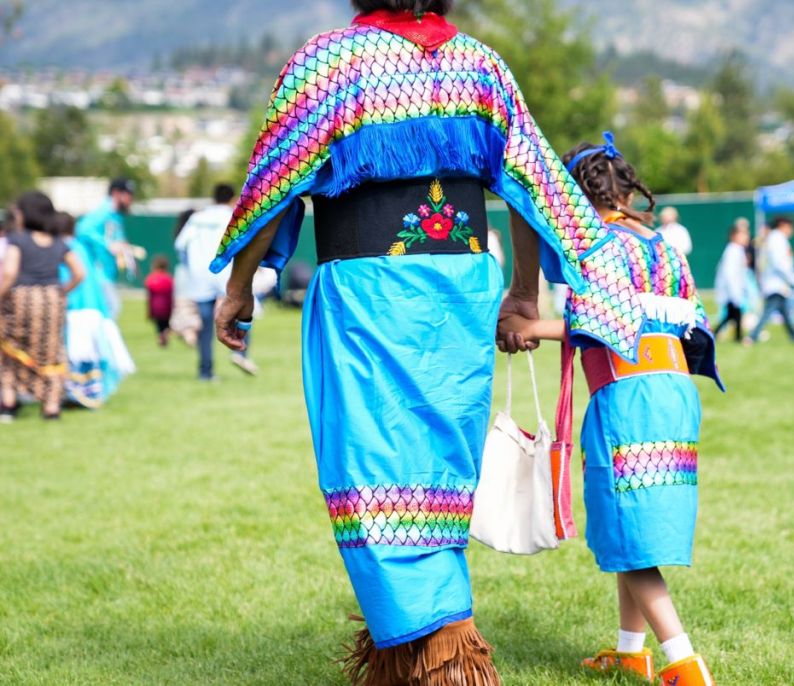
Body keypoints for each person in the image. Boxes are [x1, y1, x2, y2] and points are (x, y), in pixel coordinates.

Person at [209, 3, 643, 683]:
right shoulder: (483, 66)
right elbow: (528, 189)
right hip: (461, 288)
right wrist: (524, 290)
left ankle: (447, 654)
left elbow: (271, 187)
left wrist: (239, 287)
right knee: (435, 473)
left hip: (370, 295)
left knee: (374, 475)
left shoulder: (327, 64)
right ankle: (400, 658)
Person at [499, 137, 722, 686]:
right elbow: (688, 320)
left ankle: (685, 664)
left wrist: (529, 328)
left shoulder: (600, 245)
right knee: (631, 530)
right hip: (673, 393)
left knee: (630, 530)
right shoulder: (664, 245)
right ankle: (630, 652)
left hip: (628, 394)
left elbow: (608, 321)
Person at [0, 192, 85, 421]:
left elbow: (9, 272)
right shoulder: (58, 241)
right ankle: (51, 407)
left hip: (22, 299)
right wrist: (62, 291)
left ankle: (8, 404)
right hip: (52, 299)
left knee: (8, 349)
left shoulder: (18, 239)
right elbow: (79, 272)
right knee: (52, 352)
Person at [53, 211, 136, 408]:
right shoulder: (82, 249)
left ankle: (74, 395)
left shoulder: (62, 249)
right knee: (93, 357)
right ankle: (91, 394)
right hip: (95, 310)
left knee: (74, 356)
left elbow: (70, 277)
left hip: (74, 309)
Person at [176, 184, 257, 380]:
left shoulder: (197, 218)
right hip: (226, 273)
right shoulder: (234, 216)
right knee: (240, 311)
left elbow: (180, 245)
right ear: (231, 198)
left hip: (200, 275)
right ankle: (240, 353)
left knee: (204, 324)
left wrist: (189, 268)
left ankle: (205, 371)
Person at [75, 178, 135, 318]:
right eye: (127, 194)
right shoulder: (104, 211)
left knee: (110, 312)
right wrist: (108, 244)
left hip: (107, 273)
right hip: (98, 272)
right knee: (111, 310)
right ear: (115, 193)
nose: (130, 198)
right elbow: (82, 229)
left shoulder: (116, 216)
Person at [745, 216, 794, 345]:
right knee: (769, 311)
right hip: (776, 283)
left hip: (778, 283)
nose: (792, 231)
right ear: (783, 225)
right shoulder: (777, 239)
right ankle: (752, 336)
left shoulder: (776, 238)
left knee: (784, 312)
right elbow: (780, 263)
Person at [713, 220, 751, 342]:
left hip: (735, 289)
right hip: (731, 290)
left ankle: (719, 334)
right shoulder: (732, 250)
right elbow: (730, 274)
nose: (746, 237)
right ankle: (738, 338)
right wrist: (735, 292)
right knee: (735, 314)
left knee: (731, 315)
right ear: (733, 236)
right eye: (742, 234)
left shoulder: (738, 250)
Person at [170, 208, 202, 346]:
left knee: (183, 306)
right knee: (191, 306)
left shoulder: (179, 234)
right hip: (191, 273)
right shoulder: (193, 234)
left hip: (182, 273)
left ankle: (184, 330)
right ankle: (189, 333)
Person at [145, 256, 175, 347]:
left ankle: (160, 337)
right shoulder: (169, 279)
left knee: (159, 325)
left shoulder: (150, 279)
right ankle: (165, 336)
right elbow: (172, 294)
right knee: (166, 324)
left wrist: (149, 311)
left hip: (155, 307)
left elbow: (149, 296)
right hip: (167, 307)